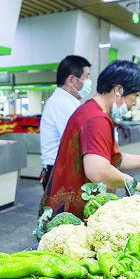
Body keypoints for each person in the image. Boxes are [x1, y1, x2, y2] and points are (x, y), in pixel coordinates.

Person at [41, 60, 140, 218]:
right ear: (118, 90)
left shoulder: (89, 111)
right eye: (135, 96)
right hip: (72, 209)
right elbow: (98, 170)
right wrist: (134, 184)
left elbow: (108, 158)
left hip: (67, 202)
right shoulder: (96, 118)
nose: (134, 103)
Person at [39, 55, 91, 188]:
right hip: (60, 173)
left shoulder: (67, 102)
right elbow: (78, 140)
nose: (89, 82)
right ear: (72, 79)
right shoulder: (63, 103)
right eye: (87, 77)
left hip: (62, 170)